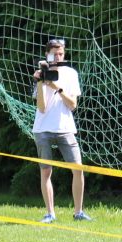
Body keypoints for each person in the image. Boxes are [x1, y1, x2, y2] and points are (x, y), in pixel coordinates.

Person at [31, 37, 91, 223]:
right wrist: (41, 82)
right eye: (54, 54)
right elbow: (41, 108)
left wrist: (56, 86)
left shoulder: (71, 74)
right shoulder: (42, 74)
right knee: (46, 171)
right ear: (47, 55)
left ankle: (78, 212)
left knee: (77, 168)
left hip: (65, 127)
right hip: (43, 128)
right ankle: (50, 213)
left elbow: (72, 105)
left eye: (61, 54)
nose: (58, 57)